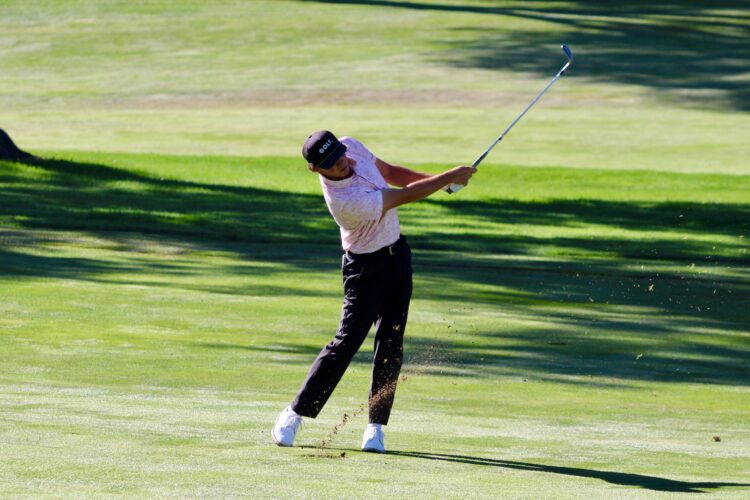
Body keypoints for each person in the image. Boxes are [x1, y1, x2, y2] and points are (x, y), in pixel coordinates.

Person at [272, 130, 476, 453]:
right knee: (346, 343)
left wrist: (441, 182)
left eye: (339, 154)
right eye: (330, 163)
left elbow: (391, 172)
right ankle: (294, 413)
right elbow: (402, 196)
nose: (341, 162)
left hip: (398, 258)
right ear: (315, 169)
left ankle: (375, 428)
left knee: (391, 343)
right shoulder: (344, 202)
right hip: (365, 270)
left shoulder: (351, 146)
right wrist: (448, 176)